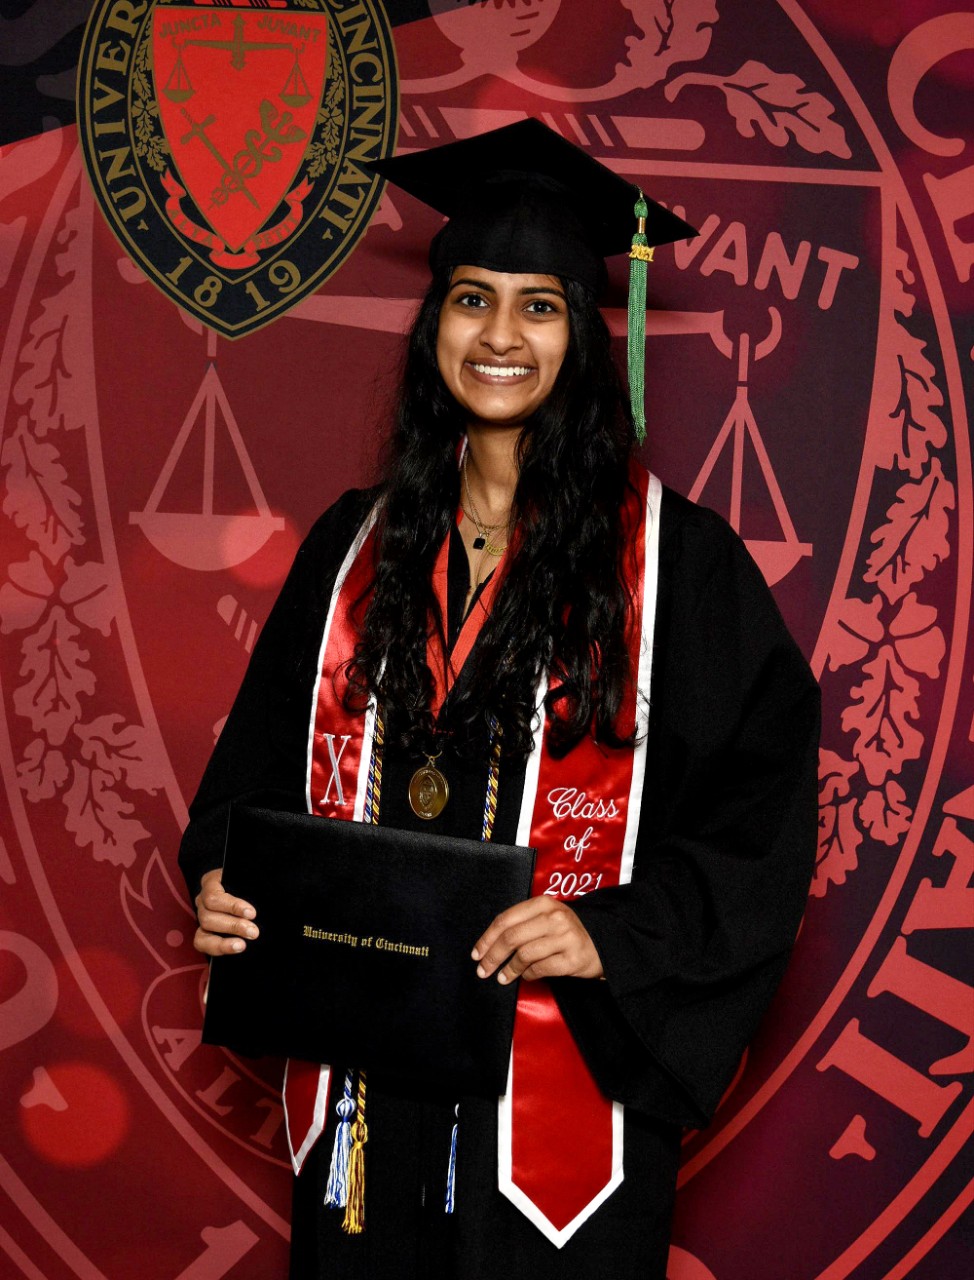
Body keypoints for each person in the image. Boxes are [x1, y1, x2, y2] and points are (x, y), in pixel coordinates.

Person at [179, 120, 820, 1279]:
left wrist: (606, 932)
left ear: (583, 332)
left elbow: (755, 825)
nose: (501, 336)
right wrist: (232, 877)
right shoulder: (351, 544)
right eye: (474, 298)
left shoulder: (682, 571)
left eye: (540, 305)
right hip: (365, 1098)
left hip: (553, 1114)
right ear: (436, 325)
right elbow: (260, 776)